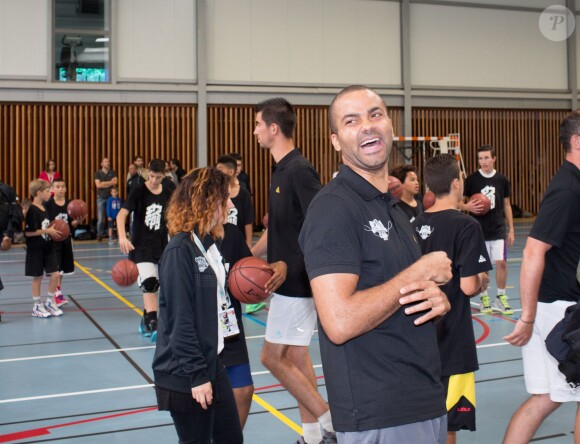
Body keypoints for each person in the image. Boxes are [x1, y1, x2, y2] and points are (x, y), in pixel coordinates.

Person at [299, 85, 452, 444]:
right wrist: (420, 270)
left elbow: (397, 292)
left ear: (390, 127)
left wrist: (435, 300)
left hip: (421, 400)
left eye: (375, 114)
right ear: (336, 141)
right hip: (380, 412)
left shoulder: (391, 210)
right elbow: (338, 321)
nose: (367, 125)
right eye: (351, 121)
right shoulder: (333, 208)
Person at [251, 97, 334, 444]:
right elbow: (278, 231)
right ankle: (313, 436)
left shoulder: (299, 170)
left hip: (298, 282)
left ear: (273, 128)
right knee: (297, 359)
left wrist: (290, 264)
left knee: (273, 357)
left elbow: (322, 225)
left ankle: (333, 425)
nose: (254, 131)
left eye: (257, 124)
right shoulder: (279, 170)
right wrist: (248, 255)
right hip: (284, 282)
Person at [503, 110, 580, 443]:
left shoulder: (571, 183)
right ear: (577, 142)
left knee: (545, 399)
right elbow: (533, 251)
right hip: (559, 312)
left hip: (555, 306)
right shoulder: (567, 189)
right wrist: (528, 316)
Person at [152, 167, 243, 444]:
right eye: (225, 198)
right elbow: (181, 322)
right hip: (185, 372)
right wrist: (196, 376)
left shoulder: (208, 245)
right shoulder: (180, 251)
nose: (231, 204)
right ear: (206, 201)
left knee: (231, 438)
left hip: (211, 363)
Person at [412, 154, 492, 444]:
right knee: (447, 426)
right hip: (453, 340)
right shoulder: (466, 226)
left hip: (418, 339)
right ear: (457, 183)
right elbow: (470, 286)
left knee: (419, 421)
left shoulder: (414, 223)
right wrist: (484, 279)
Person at [117, 159, 172, 342]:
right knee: (149, 283)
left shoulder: (169, 192)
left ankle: (145, 320)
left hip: (162, 246)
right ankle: (153, 323)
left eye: (159, 177)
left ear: (164, 175)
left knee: (160, 286)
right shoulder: (138, 191)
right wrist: (123, 237)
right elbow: (121, 215)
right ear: (147, 172)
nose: (155, 180)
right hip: (141, 247)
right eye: (152, 176)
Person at [462, 145, 515, 315]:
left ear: (494, 159)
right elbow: (459, 202)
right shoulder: (471, 180)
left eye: (486, 158)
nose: (483, 161)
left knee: (501, 262)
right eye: (480, 158)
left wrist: (511, 229)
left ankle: (500, 297)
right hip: (478, 230)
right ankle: (484, 296)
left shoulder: (502, 180)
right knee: (482, 266)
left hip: (498, 228)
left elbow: (507, 205)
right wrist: (466, 206)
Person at [219, 218, 256, 429]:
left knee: (243, 390)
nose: (231, 202)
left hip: (229, 322)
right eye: (224, 196)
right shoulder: (187, 238)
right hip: (203, 326)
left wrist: (276, 269)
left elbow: (249, 273)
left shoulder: (232, 234)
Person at [25, 179, 63, 318]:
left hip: (48, 247)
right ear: (39, 193)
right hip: (35, 249)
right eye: (47, 191)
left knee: (55, 274)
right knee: (38, 277)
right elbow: (29, 232)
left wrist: (54, 231)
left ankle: (49, 301)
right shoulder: (32, 210)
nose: (50, 193)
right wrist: (48, 231)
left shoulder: (45, 208)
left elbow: (46, 227)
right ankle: (36, 305)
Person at [45, 178, 83, 308]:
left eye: (63, 186)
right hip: (53, 241)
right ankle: (54, 294)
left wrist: (77, 222)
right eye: (58, 186)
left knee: (62, 270)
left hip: (66, 240)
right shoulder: (48, 205)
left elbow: (71, 224)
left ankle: (58, 292)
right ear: (52, 189)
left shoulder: (70, 205)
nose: (61, 189)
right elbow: (46, 223)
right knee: (55, 269)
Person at [216, 155, 254, 250]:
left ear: (231, 172)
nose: (217, 172)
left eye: (220, 169)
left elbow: (248, 221)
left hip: (239, 242)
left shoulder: (243, 193)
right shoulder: (216, 193)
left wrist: (249, 243)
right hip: (220, 242)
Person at [94, 157, 118, 241]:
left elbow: (115, 182)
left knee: (112, 216)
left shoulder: (113, 172)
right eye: (105, 162)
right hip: (101, 198)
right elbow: (98, 185)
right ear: (102, 164)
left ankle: (112, 234)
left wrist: (103, 183)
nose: (107, 163)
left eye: (108, 161)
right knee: (100, 218)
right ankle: (99, 235)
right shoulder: (98, 173)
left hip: (111, 198)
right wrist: (109, 183)